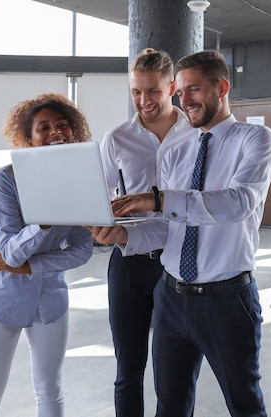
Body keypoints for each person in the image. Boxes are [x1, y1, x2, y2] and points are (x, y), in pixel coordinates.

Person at [89, 50, 271, 417]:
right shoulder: (178, 150)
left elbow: (238, 203)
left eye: (194, 89)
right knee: (170, 407)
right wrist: (124, 237)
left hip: (227, 299)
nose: (185, 100)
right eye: (182, 92)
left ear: (221, 87)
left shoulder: (255, 139)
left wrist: (157, 198)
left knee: (245, 405)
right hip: (171, 298)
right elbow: (168, 226)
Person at [0, 93, 94, 417]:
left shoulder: (77, 181)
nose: (55, 132)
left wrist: (31, 267)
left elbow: (83, 248)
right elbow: (7, 251)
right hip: (1, 301)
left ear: (73, 132)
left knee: (51, 391)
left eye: (62, 125)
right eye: (43, 127)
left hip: (51, 301)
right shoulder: (5, 180)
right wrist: (44, 221)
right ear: (29, 137)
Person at [99, 47, 193, 417]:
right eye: (136, 92)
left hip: (180, 263)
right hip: (129, 263)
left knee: (175, 377)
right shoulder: (117, 138)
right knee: (128, 372)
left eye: (152, 91)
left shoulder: (197, 135)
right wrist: (100, 220)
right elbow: (102, 194)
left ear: (171, 87)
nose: (143, 101)